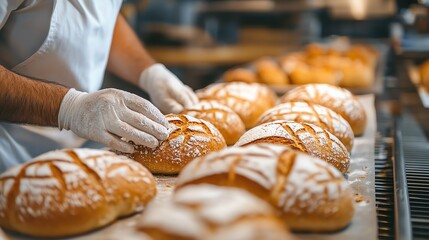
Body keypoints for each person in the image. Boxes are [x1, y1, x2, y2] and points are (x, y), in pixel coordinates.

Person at [0, 0, 198, 172]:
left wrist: (149, 72)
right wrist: (69, 108)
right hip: (10, 160)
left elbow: (100, 19)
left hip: (76, 156)